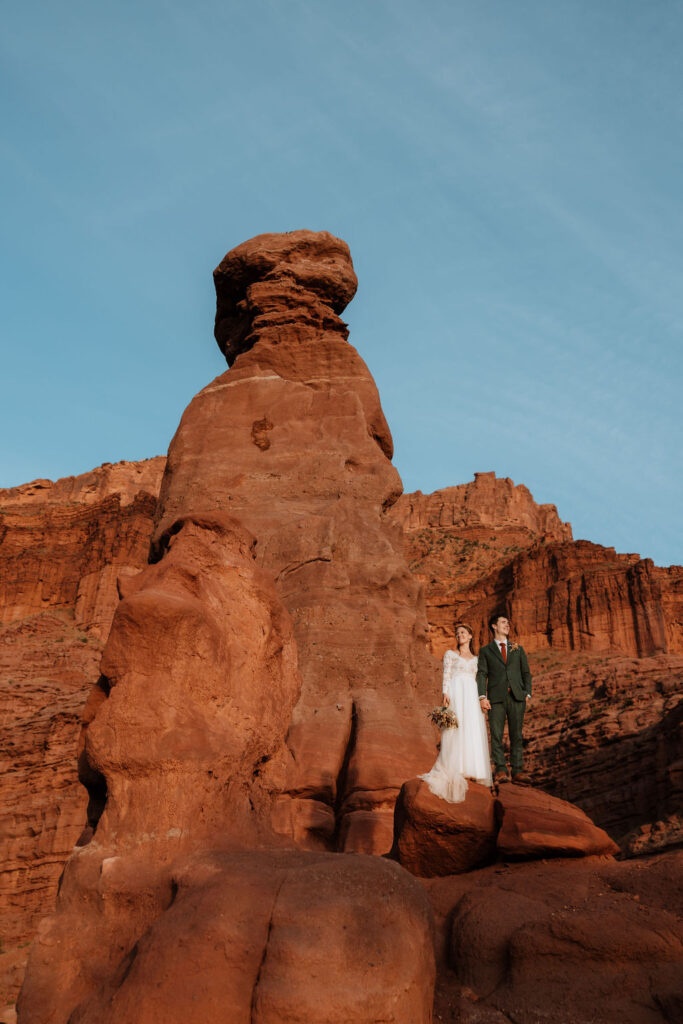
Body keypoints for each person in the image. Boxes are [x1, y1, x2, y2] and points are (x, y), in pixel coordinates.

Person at [420, 623, 493, 803]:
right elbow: (446, 674)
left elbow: (481, 680)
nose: (459, 635)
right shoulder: (450, 655)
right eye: (457, 633)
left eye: (463, 633)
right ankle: (455, 767)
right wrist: (445, 692)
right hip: (455, 692)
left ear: (470, 636)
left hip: (471, 694)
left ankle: (473, 769)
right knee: (455, 728)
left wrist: (483, 698)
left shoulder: (477, 660)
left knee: (472, 728)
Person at [476, 613, 532, 785]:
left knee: (516, 735)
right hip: (496, 699)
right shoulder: (485, 651)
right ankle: (500, 770)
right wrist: (482, 696)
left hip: (517, 697)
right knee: (496, 735)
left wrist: (527, 693)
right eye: (503, 622)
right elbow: (482, 673)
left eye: (508, 622)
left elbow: (526, 673)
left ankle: (517, 771)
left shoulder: (518, 648)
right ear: (494, 626)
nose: (507, 625)